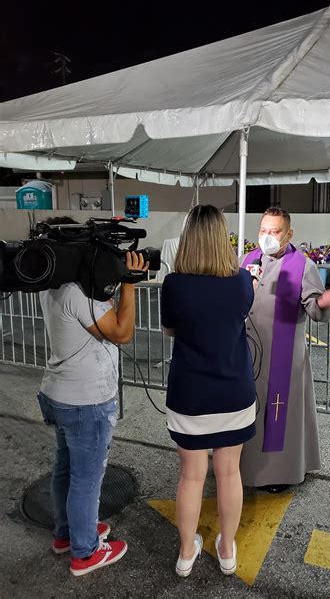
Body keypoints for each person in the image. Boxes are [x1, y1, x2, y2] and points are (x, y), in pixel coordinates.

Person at [37, 216, 148, 576]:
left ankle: (67, 534)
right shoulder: (77, 291)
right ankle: (85, 552)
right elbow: (122, 331)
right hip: (86, 401)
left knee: (66, 468)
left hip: (59, 392)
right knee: (87, 478)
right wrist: (130, 284)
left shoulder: (52, 284)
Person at [161, 204, 256, 578]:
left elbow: (170, 330)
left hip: (189, 396)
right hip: (234, 393)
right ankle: (228, 550)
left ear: (188, 240)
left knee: (191, 477)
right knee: (229, 473)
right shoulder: (242, 282)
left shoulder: (174, 284)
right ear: (222, 239)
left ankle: (186, 554)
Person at [240, 207, 330, 493]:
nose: (267, 237)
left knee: (278, 413)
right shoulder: (248, 259)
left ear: (289, 234)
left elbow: (313, 306)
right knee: (249, 411)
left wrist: (323, 303)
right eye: (263, 231)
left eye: (274, 232)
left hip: (282, 358)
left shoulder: (303, 265)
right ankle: (242, 465)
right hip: (247, 352)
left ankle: (278, 473)